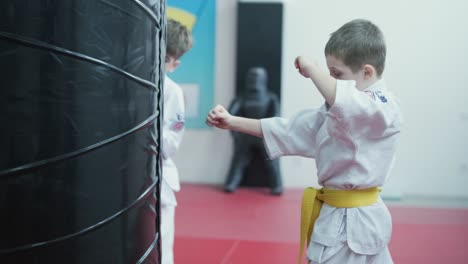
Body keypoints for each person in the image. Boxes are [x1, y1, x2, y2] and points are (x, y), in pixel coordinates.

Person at [206, 19, 402, 264]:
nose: (331, 80)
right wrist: (232, 121)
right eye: (330, 73)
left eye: (337, 74)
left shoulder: (383, 107)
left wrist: (313, 70)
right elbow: (290, 130)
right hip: (336, 217)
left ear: (367, 72)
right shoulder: (336, 111)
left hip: (359, 222)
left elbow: (351, 105)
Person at [160, 18, 192, 264]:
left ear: (175, 64)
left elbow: (170, 144)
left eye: (164, 58)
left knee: (161, 248)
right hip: (126, 179)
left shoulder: (172, 92)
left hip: (160, 182)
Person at [224, 67, 283, 195]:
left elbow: (276, 116)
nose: (254, 80)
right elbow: (229, 115)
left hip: (264, 134)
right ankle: (231, 183)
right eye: (252, 77)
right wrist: (235, 134)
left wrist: (270, 133)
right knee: (238, 160)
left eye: (257, 77)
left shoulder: (270, 97)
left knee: (273, 161)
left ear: (263, 79)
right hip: (245, 134)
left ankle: (277, 186)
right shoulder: (242, 97)